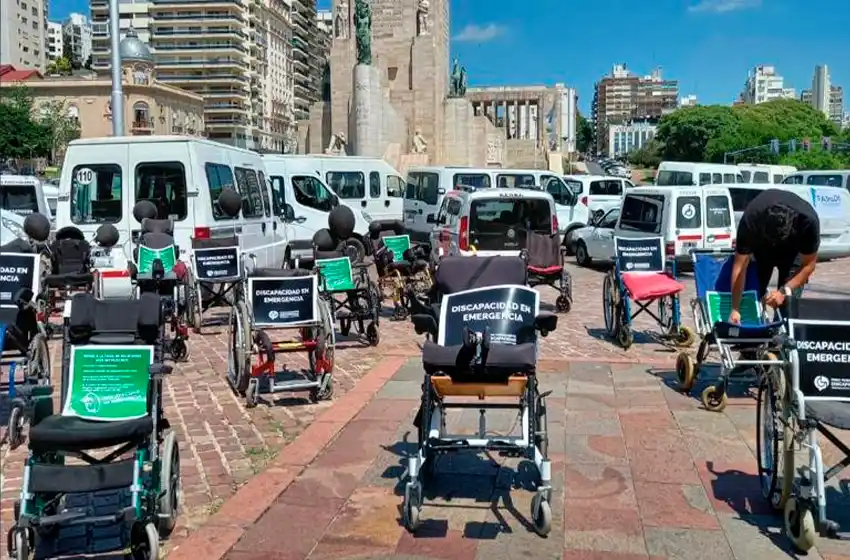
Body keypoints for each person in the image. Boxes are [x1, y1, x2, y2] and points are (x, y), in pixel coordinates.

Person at [728, 189, 820, 324]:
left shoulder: (808, 222)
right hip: (761, 250)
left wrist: (783, 291)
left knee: (787, 304)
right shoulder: (751, 218)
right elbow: (739, 267)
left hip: (792, 253)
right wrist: (735, 308)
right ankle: (753, 333)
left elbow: (808, 266)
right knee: (752, 295)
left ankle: (782, 333)